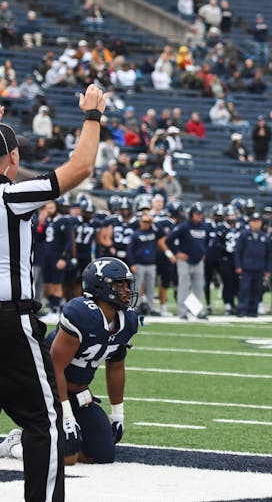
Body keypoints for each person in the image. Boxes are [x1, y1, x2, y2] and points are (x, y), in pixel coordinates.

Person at [0, 84, 106, 502]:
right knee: (42, 422)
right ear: (12, 159)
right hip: (9, 322)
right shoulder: (10, 195)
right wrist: (92, 115)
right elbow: (80, 167)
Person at [42, 258, 138, 466]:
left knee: (103, 455)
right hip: (47, 391)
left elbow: (116, 367)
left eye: (126, 284)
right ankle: (17, 443)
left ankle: (56, 438)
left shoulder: (127, 321)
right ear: (100, 286)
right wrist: (66, 416)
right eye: (118, 285)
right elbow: (54, 368)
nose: (126, 290)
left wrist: (118, 413)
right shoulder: (82, 314)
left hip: (79, 394)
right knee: (67, 459)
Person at [164, 202, 208, 320]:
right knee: (184, 286)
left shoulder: (204, 227)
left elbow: (207, 241)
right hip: (185, 261)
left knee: (198, 287)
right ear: (191, 214)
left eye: (201, 214)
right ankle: (182, 312)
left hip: (198, 261)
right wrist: (177, 253)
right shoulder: (184, 226)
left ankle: (198, 311)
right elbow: (169, 240)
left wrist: (204, 252)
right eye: (197, 214)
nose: (199, 216)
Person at [234, 212, 269, 317]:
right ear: (250, 223)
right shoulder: (244, 235)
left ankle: (253, 310)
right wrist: (238, 265)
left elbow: (269, 254)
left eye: (258, 222)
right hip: (246, 267)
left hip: (259, 267)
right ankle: (242, 309)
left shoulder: (264, 237)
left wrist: (268, 269)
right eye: (254, 221)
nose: (256, 224)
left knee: (257, 290)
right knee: (244, 289)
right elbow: (238, 251)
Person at [127, 213, 158, 315]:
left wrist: (153, 222)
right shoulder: (136, 234)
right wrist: (132, 263)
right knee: (136, 288)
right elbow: (130, 250)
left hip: (151, 264)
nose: (146, 224)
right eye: (144, 221)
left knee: (151, 288)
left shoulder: (153, 232)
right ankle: (133, 307)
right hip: (139, 264)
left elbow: (162, 233)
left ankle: (150, 308)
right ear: (140, 222)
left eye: (148, 222)